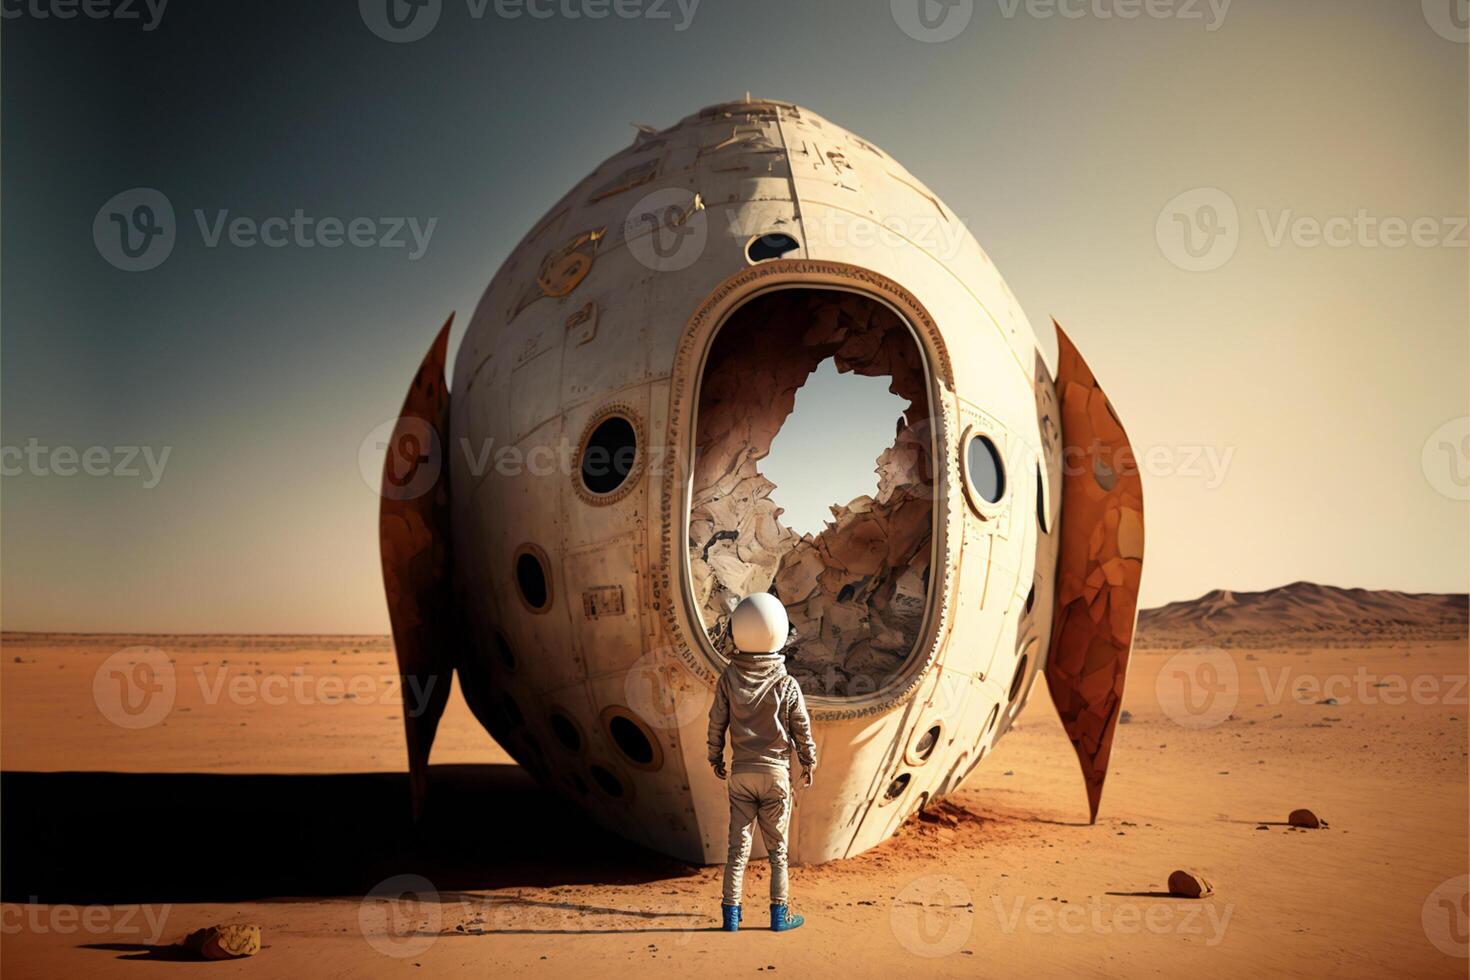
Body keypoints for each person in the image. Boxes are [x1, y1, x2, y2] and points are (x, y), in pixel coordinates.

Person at [706, 592, 817, 933]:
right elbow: (801, 727)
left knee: (737, 851)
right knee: (777, 853)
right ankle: (779, 917)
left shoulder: (728, 679)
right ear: (779, 633)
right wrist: (808, 760)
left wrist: (714, 756)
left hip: (741, 774)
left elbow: (716, 722)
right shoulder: (786, 683)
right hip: (775, 776)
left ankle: (731, 918)